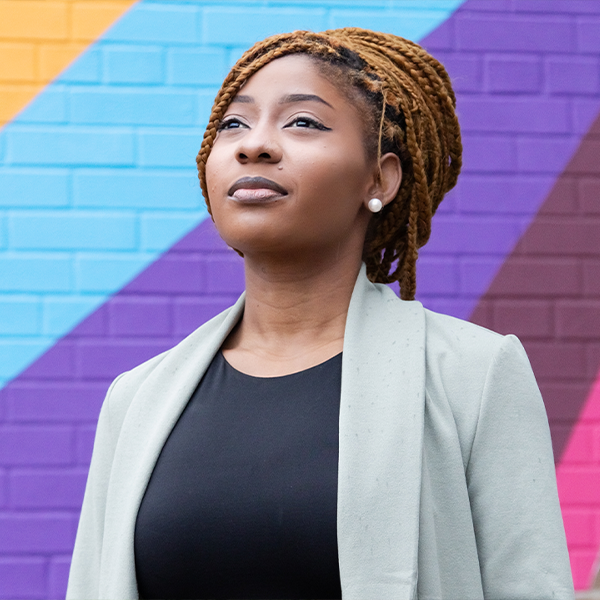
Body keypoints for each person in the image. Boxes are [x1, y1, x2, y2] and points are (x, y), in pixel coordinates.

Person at [66, 28, 574, 600]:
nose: (253, 145)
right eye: (234, 124)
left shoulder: (473, 376)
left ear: (378, 178)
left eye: (303, 122)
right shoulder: (138, 397)